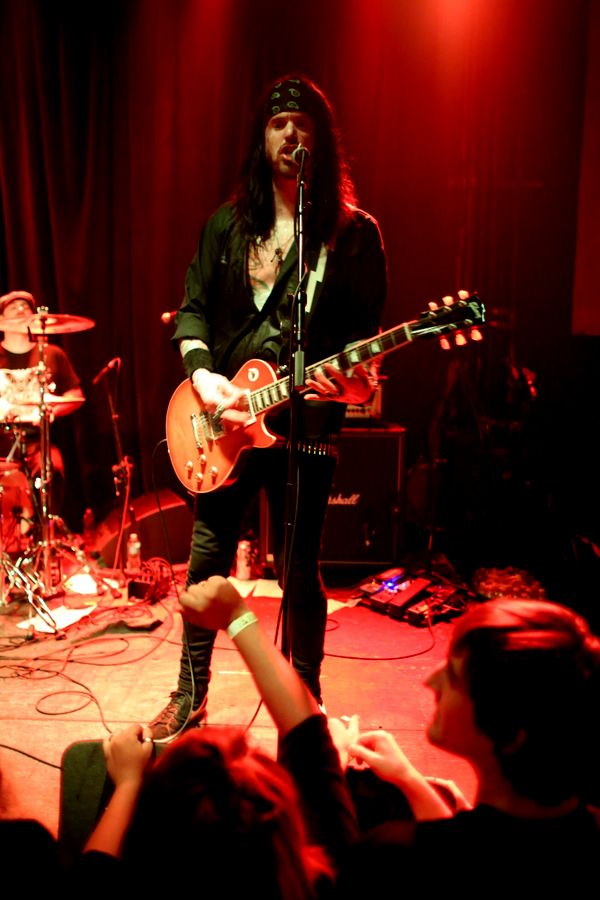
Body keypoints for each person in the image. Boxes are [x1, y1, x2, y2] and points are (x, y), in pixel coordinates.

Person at [148, 73, 387, 740]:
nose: (289, 133)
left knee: (300, 570)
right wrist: (204, 379)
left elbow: (363, 354)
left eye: (302, 123)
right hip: (223, 427)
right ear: (261, 139)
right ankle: (189, 694)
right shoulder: (225, 227)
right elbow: (192, 311)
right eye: (278, 124)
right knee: (206, 562)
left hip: (304, 425)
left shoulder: (352, 236)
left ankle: (304, 706)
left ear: (320, 140)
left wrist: (355, 386)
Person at [79, 576, 358, 896]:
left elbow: (94, 872)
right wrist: (237, 616)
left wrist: (128, 784)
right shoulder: (328, 878)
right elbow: (308, 738)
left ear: (149, 841)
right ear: (285, 838)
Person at [335, 598, 600, 896]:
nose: (430, 680)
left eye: (452, 675)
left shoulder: (392, 855)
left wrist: (327, 769)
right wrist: (408, 779)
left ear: (508, 731)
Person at [0, 290, 84, 528]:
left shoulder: (50, 354)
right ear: (1, 320)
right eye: (13, 308)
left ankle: (41, 533)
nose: (20, 310)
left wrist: (52, 409)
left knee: (52, 467)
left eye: (25, 308)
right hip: (2, 443)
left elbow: (75, 396)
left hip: (37, 442)